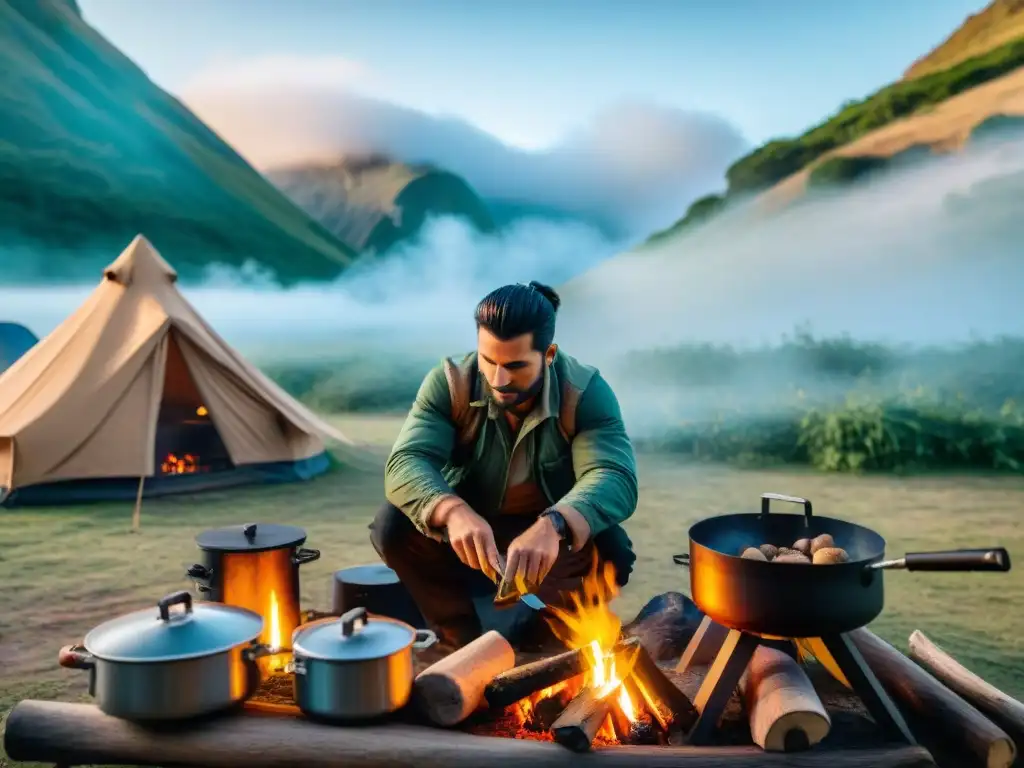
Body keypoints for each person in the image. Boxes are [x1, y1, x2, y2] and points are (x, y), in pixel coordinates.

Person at [370, 281, 638, 649]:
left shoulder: (585, 391)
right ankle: (458, 638)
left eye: (515, 366)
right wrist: (451, 511)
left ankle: (540, 638)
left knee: (611, 549)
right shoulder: (450, 383)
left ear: (548, 354)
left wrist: (555, 523)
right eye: (488, 361)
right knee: (393, 526)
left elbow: (614, 476)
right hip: (468, 529)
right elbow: (406, 461)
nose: (498, 380)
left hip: (550, 535)